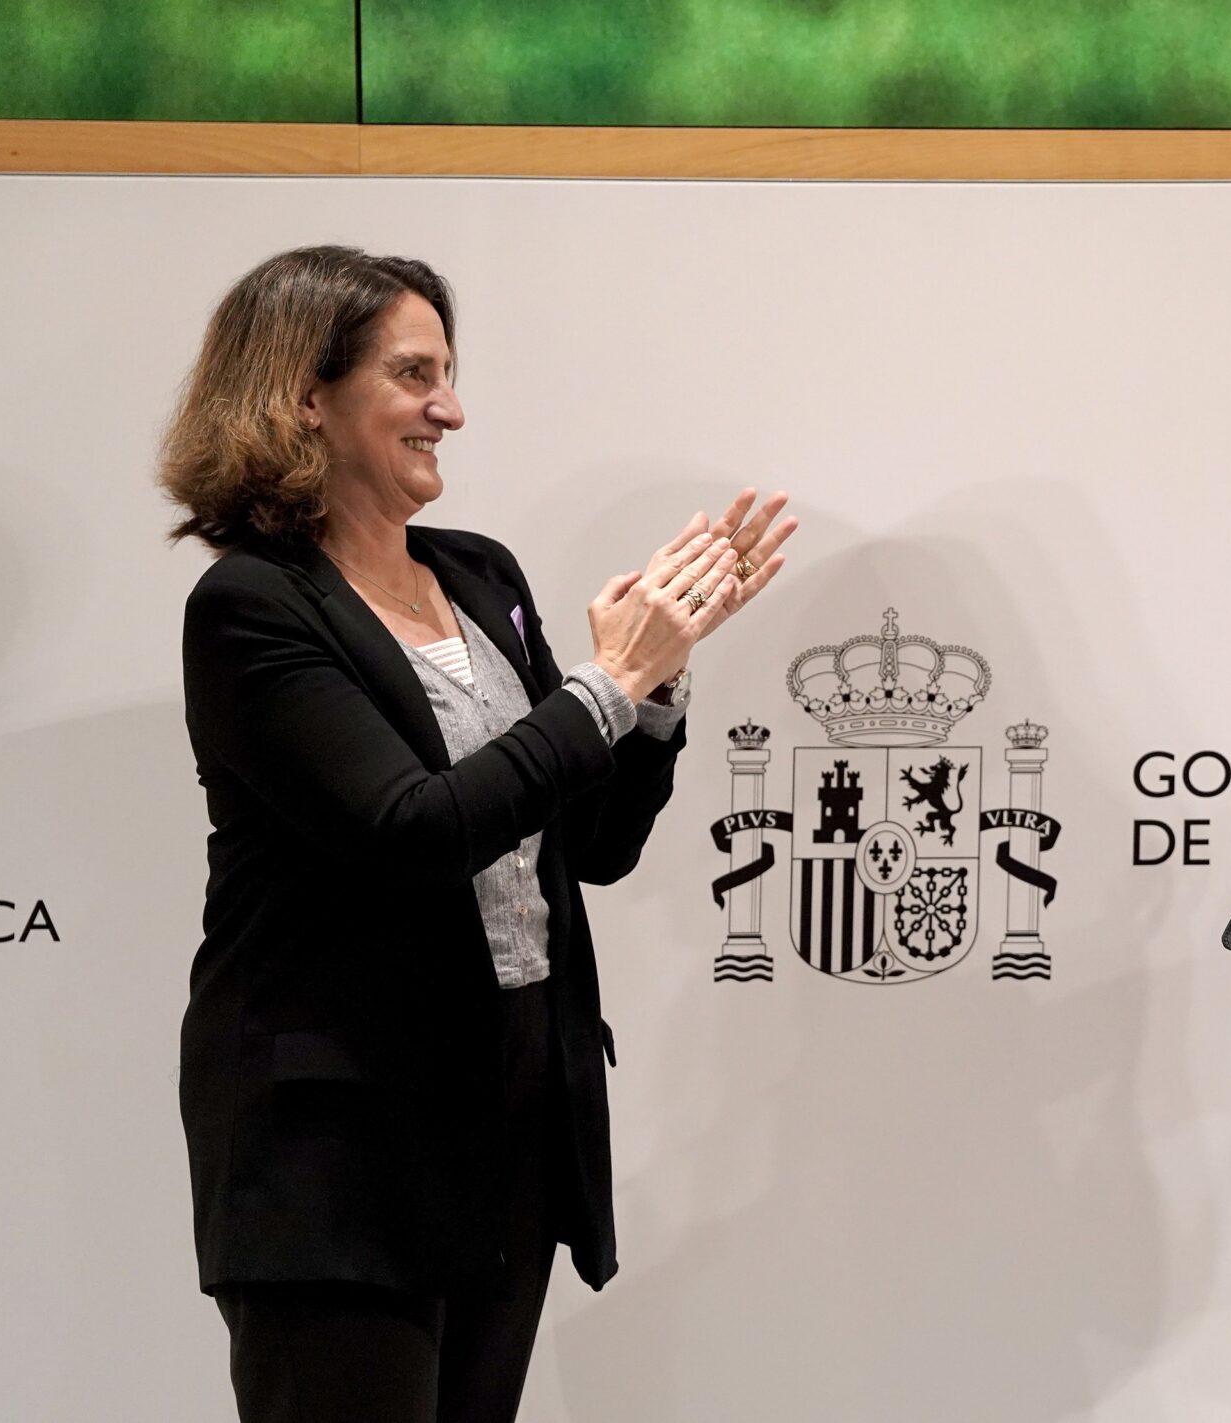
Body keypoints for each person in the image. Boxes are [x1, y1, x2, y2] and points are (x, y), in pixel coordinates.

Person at [160, 245, 797, 1423]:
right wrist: (607, 684)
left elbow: (590, 844)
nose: (449, 409)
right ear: (306, 394)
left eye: (448, 374)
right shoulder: (253, 604)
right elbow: (414, 830)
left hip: (508, 1110)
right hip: (340, 1147)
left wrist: (657, 688)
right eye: (414, 375)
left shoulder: (477, 573)